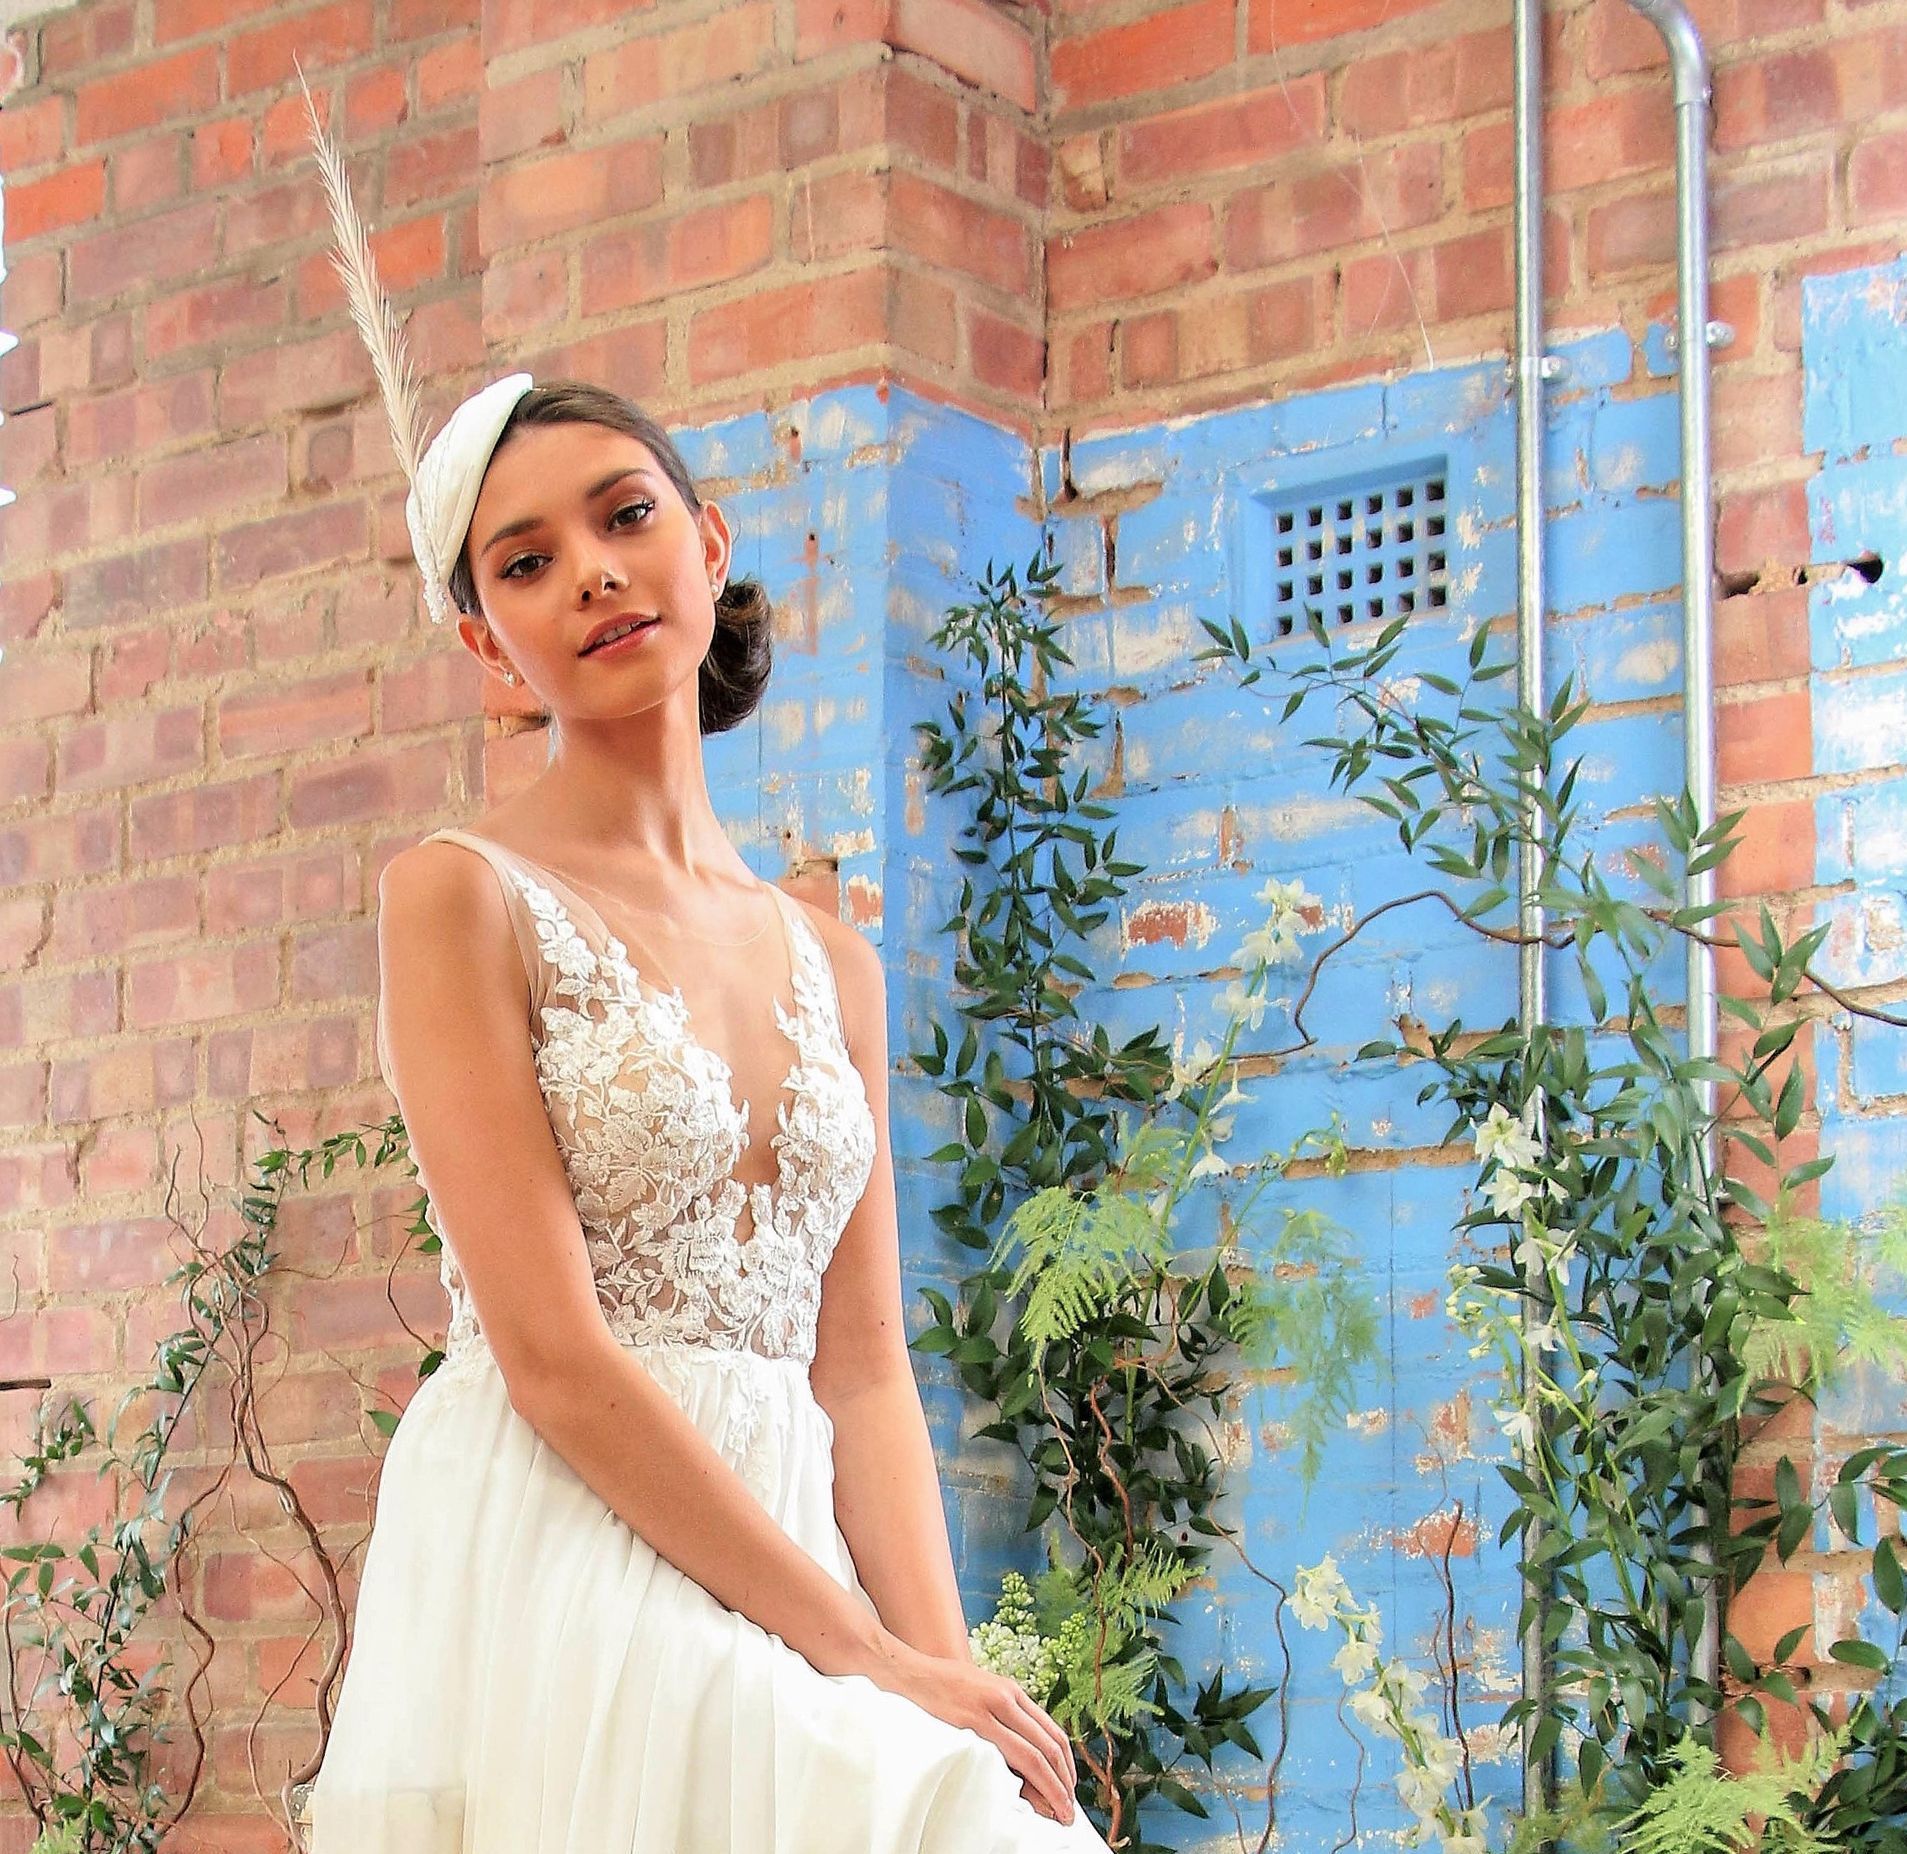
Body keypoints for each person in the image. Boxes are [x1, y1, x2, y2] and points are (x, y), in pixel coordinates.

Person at [298, 83, 1115, 1854]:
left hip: (792, 1557)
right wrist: (856, 1652)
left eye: (624, 518)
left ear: (710, 537)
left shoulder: (833, 961)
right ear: (487, 643)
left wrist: (948, 1685)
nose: (593, 576)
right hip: (568, 1555)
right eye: (529, 563)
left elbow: (866, 1372)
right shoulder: (459, 897)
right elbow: (553, 1355)